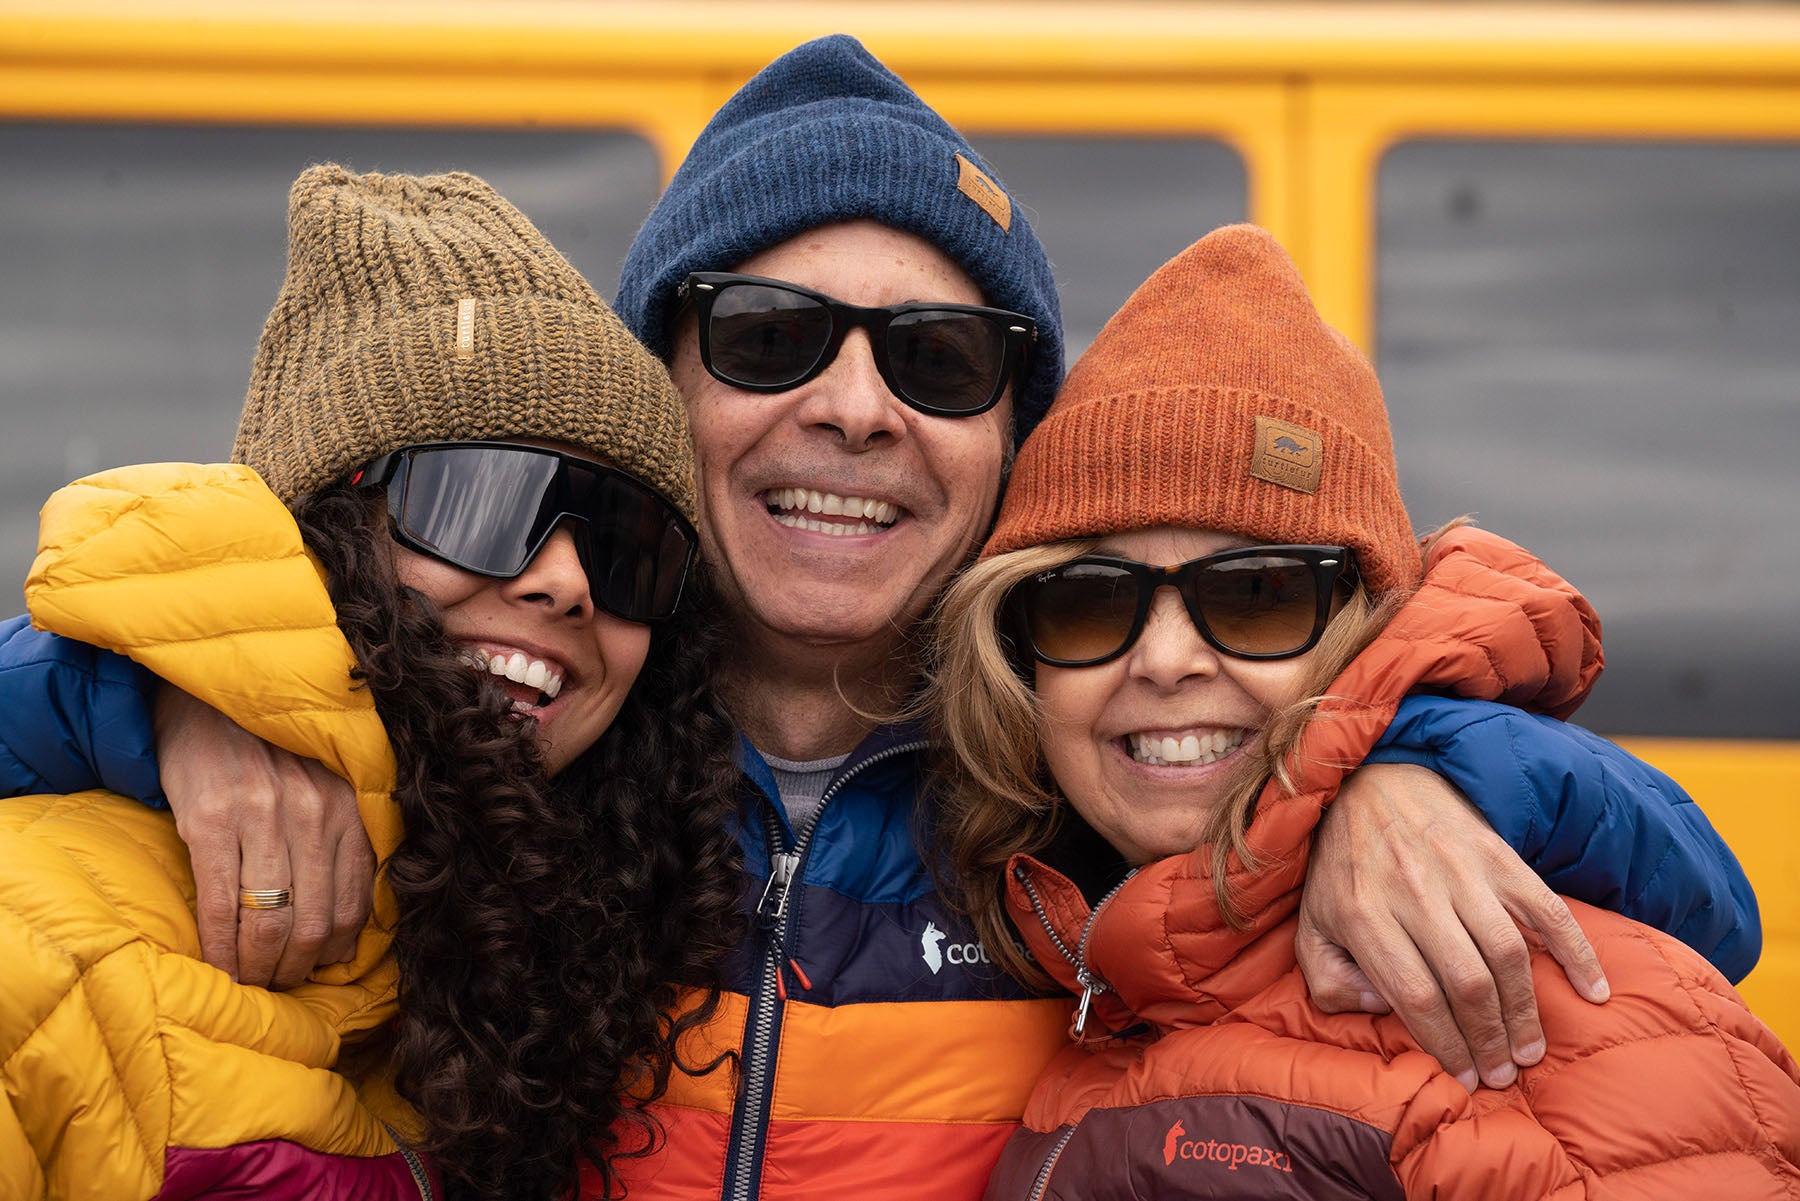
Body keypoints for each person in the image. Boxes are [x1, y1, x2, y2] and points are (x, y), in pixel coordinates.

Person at [0, 37, 1760, 1201]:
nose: (853, 408)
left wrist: (1413, 766)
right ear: (660, 402)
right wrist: (181, 700)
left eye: (935, 358)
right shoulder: (536, 735)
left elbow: (1699, 912)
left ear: (1009, 446)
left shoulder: (1087, 777)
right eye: (770, 338)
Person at [932, 224, 1800, 1199]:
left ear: (1362, 629)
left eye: (1255, 593)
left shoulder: (1541, 1015)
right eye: (1089, 598)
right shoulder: (1101, 980)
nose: (1166, 659)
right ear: (1019, 655)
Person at [0, 165, 744, 1200]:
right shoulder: (34, 938)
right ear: (321, 531)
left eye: (629, 545)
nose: (568, 582)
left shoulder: (570, 963)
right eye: (483, 499)